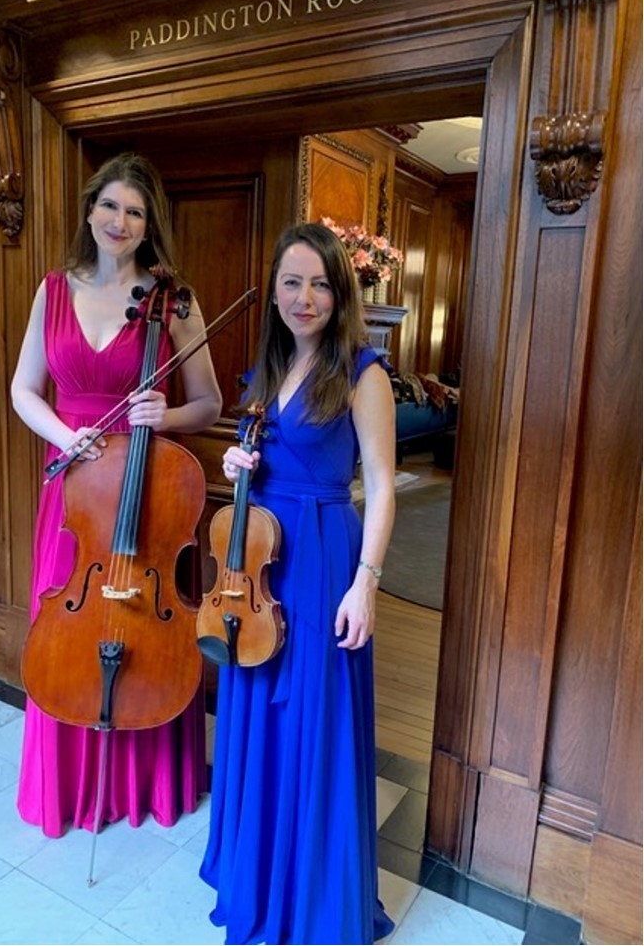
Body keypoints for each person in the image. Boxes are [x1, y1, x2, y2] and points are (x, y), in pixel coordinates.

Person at [11, 152, 222, 837]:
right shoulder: (52, 289)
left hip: (148, 493)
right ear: (89, 209)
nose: (120, 220)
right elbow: (24, 388)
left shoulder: (174, 299)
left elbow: (209, 402)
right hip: (74, 495)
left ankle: (146, 786)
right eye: (110, 206)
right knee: (63, 627)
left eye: (135, 211)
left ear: (148, 222)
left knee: (144, 633)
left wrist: (165, 414)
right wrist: (64, 434)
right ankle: (68, 787)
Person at [200, 222, 397, 944]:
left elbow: (380, 487)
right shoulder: (266, 368)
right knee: (258, 712)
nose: (303, 296)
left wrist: (366, 583)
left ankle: (310, 899)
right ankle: (260, 878)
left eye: (318, 282)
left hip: (322, 562)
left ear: (339, 290)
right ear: (275, 291)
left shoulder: (363, 371)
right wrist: (237, 466)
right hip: (257, 568)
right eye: (291, 281)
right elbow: (259, 455)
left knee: (314, 719)